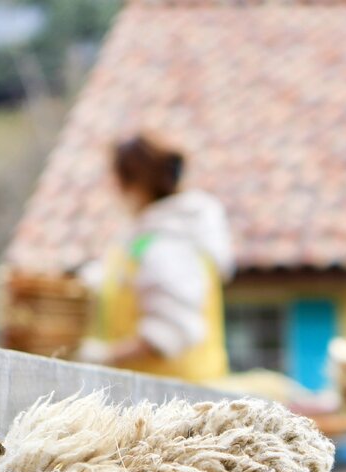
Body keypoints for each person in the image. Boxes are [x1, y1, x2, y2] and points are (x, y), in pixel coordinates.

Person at [77, 132, 233, 382]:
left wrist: (102, 355)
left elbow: (171, 333)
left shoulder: (170, 242)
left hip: (180, 403)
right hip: (150, 402)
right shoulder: (144, 240)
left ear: (133, 182)